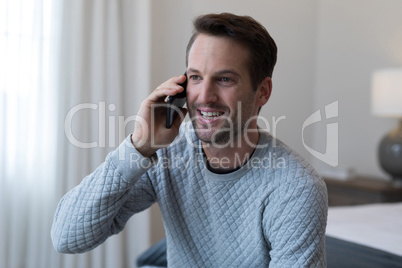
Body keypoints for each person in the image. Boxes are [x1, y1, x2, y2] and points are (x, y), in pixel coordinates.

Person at [51, 13, 328, 267]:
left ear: (262, 92)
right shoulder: (168, 154)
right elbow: (66, 238)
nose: (204, 95)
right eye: (195, 77)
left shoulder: (296, 188)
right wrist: (138, 147)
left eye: (225, 79)